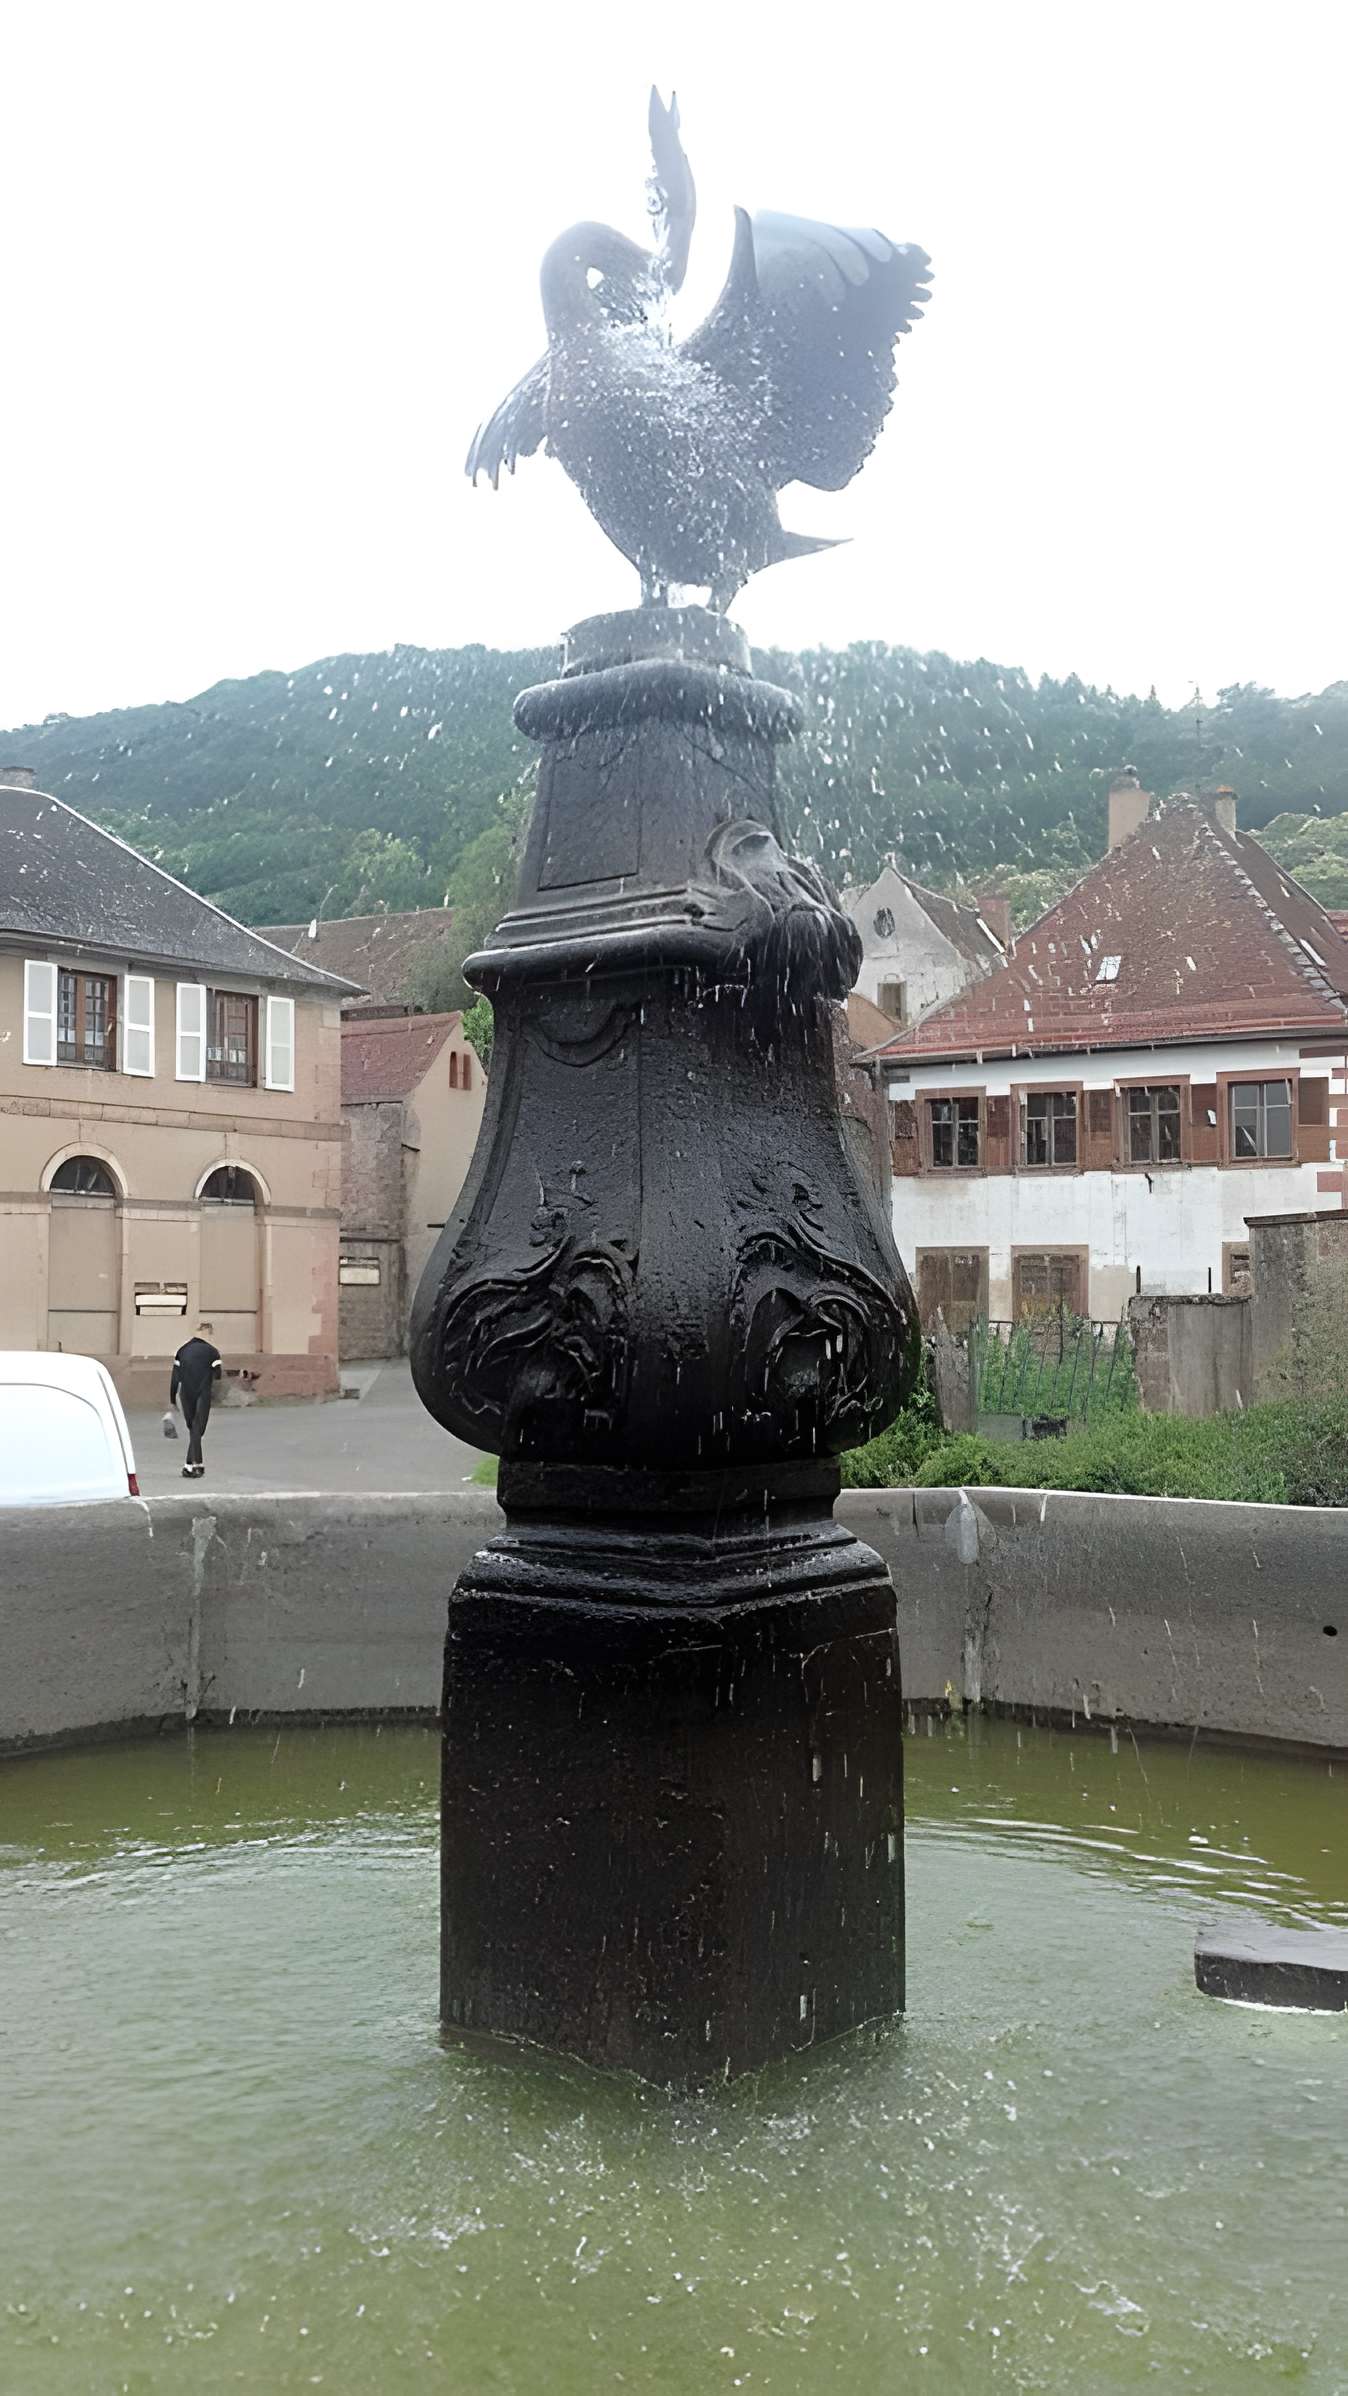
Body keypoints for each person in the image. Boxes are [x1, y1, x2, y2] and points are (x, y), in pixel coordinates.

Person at [170, 1323, 222, 1479]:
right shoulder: (213, 1353)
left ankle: (189, 1465)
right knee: (197, 1429)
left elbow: (175, 1378)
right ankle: (196, 1465)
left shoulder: (182, 1351)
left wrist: (172, 1398)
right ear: (209, 1333)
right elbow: (218, 1376)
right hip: (202, 1393)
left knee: (193, 1428)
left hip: (186, 1394)